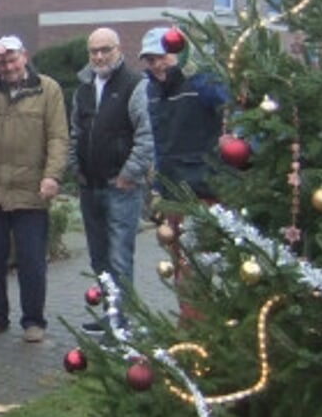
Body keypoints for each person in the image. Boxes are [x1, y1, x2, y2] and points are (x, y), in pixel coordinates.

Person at [0, 34, 68, 343]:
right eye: (2, 61)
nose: (7, 67)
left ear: (25, 56)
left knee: (31, 260)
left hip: (30, 188)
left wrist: (53, 176)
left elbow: (59, 137)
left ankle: (33, 321)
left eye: (12, 59)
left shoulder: (48, 89)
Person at [69, 28, 154, 322]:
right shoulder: (83, 88)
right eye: (94, 51)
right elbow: (74, 133)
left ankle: (122, 324)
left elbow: (146, 135)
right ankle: (110, 316)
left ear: (119, 50)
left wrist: (128, 174)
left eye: (106, 49)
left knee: (119, 258)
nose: (100, 56)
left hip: (122, 188)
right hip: (89, 186)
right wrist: (75, 168)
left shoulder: (134, 85)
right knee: (99, 259)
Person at [138, 26, 230, 204]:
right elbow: (159, 142)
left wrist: (192, 71)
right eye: (151, 60)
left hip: (206, 186)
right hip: (171, 188)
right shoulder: (152, 90)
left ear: (177, 54)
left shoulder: (201, 80)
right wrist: (158, 184)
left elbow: (223, 98)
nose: (157, 64)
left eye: (162, 56)